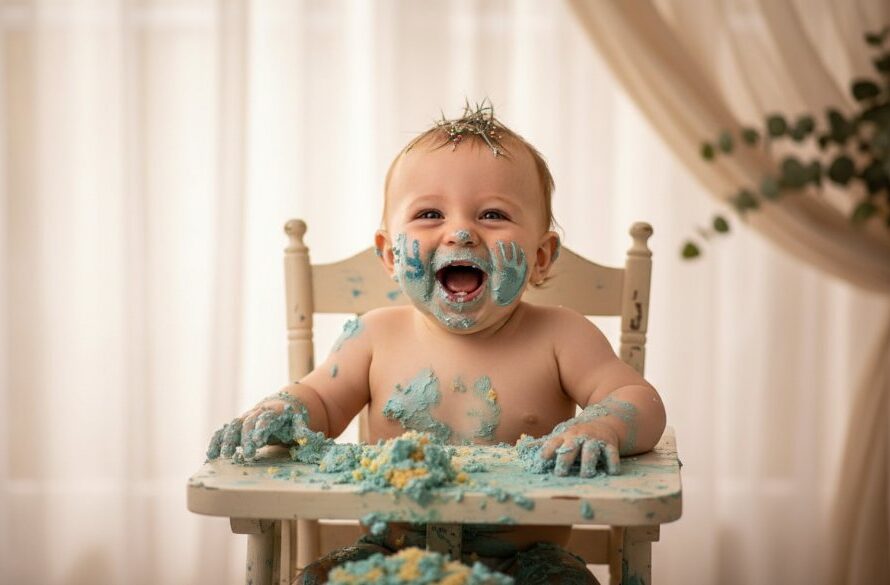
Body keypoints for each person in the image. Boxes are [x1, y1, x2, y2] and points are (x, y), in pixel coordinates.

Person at [207, 102, 666, 584]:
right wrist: (285, 408)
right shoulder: (373, 336)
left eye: (492, 214)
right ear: (388, 254)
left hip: (527, 564)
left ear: (541, 255)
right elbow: (320, 398)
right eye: (429, 213)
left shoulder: (563, 337)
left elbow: (640, 400)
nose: (462, 231)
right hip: (386, 556)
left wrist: (604, 428)